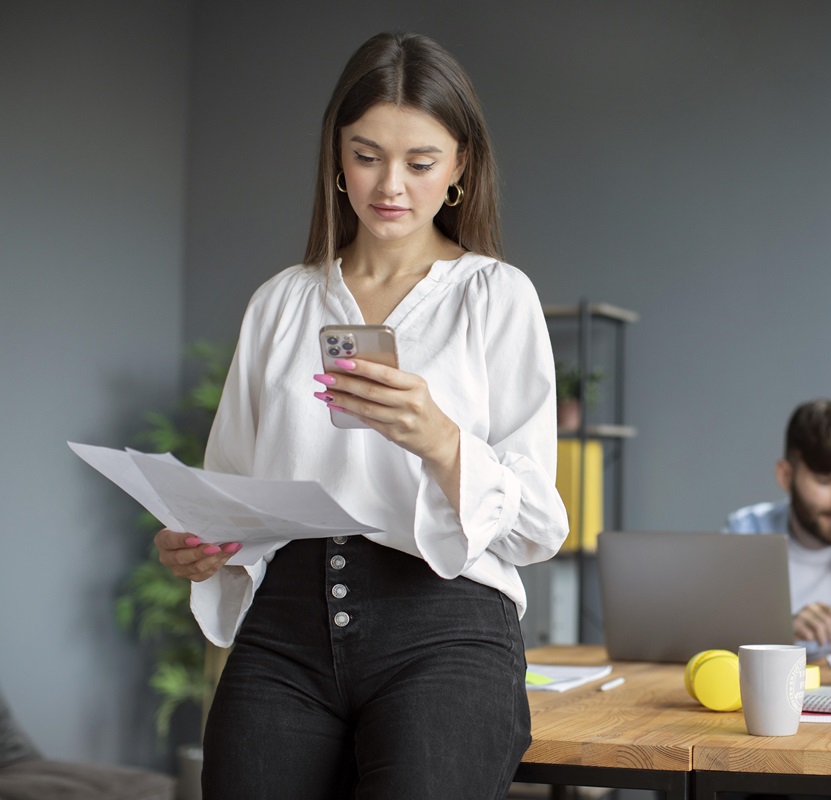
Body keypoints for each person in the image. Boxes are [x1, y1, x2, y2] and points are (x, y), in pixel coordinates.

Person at [153, 31, 569, 800]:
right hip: (283, 630)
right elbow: (230, 493)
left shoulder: (494, 296)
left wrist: (441, 441)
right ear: (336, 158)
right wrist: (197, 542)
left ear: (458, 169)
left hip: (443, 624)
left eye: (420, 162)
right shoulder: (281, 301)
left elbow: (540, 525)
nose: (390, 186)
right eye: (366, 154)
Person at [724, 399, 831, 650]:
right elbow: (708, 635)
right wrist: (777, 632)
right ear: (786, 475)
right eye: (825, 481)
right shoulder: (746, 533)